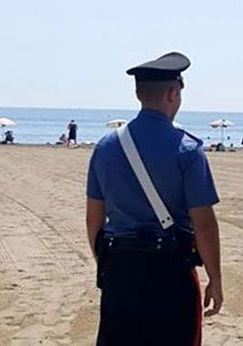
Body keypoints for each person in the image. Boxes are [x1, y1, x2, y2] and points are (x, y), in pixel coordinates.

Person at [86, 52, 223, 346]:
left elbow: (93, 219)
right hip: (170, 271)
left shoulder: (105, 147)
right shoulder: (187, 149)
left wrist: (107, 264)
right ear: (173, 94)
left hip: (121, 269)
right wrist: (215, 277)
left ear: (138, 93)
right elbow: (204, 224)